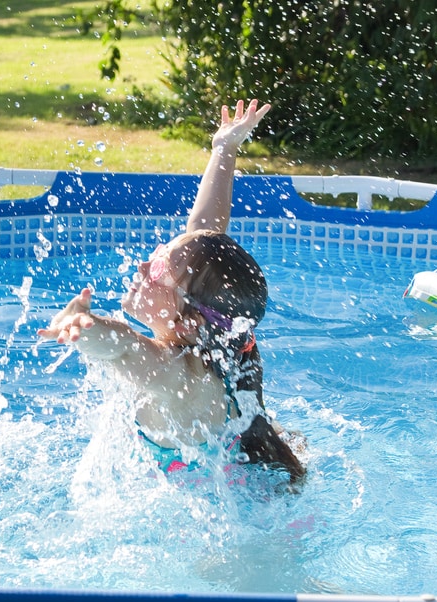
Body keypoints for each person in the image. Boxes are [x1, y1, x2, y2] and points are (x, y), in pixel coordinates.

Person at [38, 99, 306, 487]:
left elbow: (124, 346)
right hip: (243, 465)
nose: (146, 265)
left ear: (191, 319)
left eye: (162, 269)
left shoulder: (178, 377)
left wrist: (86, 325)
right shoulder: (221, 338)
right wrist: (223, 149)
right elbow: (203, 231)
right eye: (160, 251)